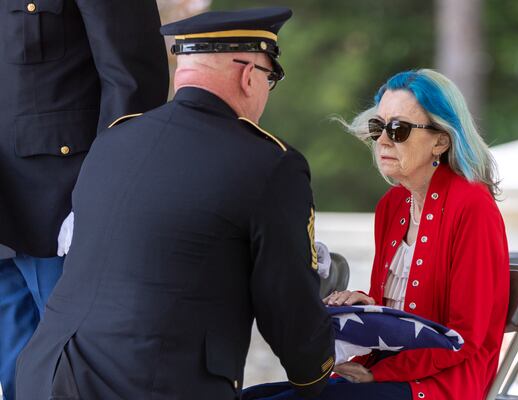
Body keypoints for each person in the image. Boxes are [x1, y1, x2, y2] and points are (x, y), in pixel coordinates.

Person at [15, 7, 334, 400]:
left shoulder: (112, 142)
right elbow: (287, 302)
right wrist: (316, 374)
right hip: (146, 384)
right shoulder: (269, 164)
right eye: (272, 78)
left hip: (44, 375)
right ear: (249, 75)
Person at [242, 69, 509, 400]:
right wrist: (365, 304)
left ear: (441, 140)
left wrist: (378, 373)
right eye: (377, 127)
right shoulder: (393, 204)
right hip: (386, 372)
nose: (382, 140)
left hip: (440, 385)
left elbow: (465, 337)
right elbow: (400, 310)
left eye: (398, 129)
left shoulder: (473, 206)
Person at [0, 1, 169, 398]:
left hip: (61, 208)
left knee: (77, 378)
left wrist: (104, 194)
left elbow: (133, 80)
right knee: (18, 380)